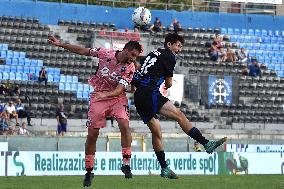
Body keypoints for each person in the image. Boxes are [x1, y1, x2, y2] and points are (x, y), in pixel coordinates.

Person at [48, 36, 142, 187]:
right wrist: (61, 45)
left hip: (117, 97)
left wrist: (105, 94)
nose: (133, 59)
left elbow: (119, 90)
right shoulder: (105, 53)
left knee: (124, 126)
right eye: (132, 55)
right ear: (125, 50)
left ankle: (126, 162)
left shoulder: (130, 68)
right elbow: (82, 50)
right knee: (92, 135)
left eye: (136, 57)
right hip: (98, 96)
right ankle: (89, 170)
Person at [131, 33, 227, 179]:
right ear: (169, 44)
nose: (179, 49)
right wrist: (164, 82)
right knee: (179, 116)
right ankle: (206, 143)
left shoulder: (153, 53)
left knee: (157, 132)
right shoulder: (169, 56)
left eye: (181, 47)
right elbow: (169, 83)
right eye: (178, 45)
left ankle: (164, 168)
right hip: (150, 93)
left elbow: (138, 76)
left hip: (139, 97)